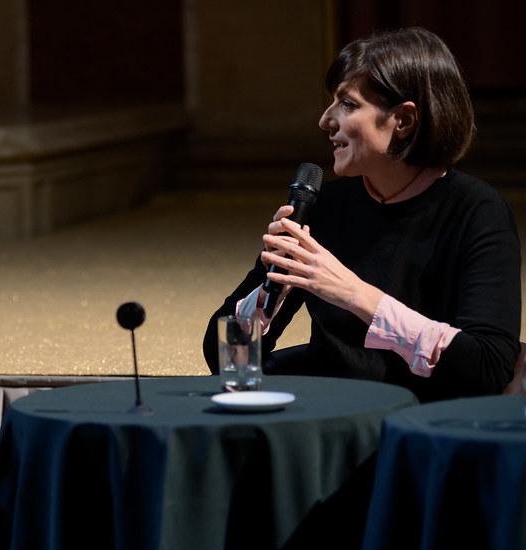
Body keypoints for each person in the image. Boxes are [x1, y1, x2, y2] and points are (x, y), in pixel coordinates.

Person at [202, 27, 521, 403]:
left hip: (419, 419)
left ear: (403, 120)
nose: (325, 120)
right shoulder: (324, 206)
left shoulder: (477, 212)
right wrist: (271, 292)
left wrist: (355, 295)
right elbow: (222, 356)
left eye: (348, 104)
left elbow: (488, 368)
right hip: (330, 410)